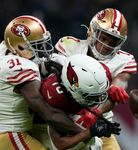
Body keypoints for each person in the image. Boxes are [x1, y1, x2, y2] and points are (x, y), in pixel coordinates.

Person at [0, 15, 121, 150]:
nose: (44, 49)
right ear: (20, 48)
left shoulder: (6, 49)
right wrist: (87, 132)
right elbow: (49, 114)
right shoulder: (22, 67)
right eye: (37, 45)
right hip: (8, 132)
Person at [55, 8, 137, 150]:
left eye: (113, 42)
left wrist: (115, 89)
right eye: (104, 38)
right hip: (67, 120)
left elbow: (121, 80)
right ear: (93, 31)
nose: (106, 45)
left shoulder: (123, 60)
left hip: (100, 125)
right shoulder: (70, 46)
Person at [40, 54, 121, 150]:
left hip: (85, 118)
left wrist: (98, 112)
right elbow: (59, 144)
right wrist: (90, 132)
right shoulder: (56, 96)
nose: (97, 100)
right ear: (73, 89)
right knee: (91, 140)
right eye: (91, 96)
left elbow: (107, 100)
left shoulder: (99, 74)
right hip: (42, 128)